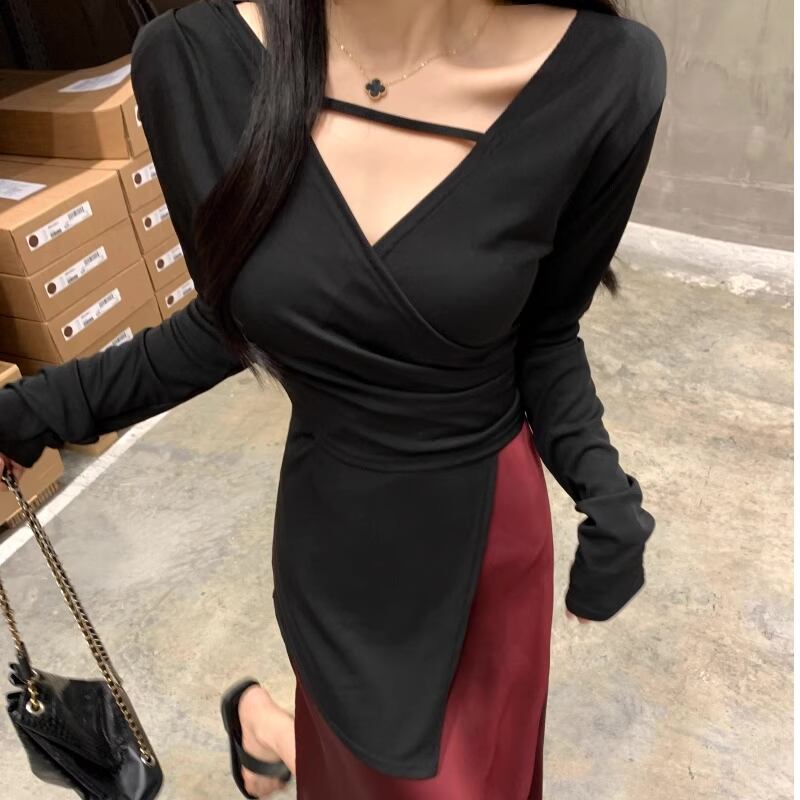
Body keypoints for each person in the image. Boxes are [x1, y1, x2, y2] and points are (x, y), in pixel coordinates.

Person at [0, 0, 665, 797]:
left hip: (484, 536)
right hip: (334, 534)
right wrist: (33, 413)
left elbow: (547, 332)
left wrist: (604, 489)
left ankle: (263, 729)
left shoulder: (604, 74)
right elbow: (230, 321)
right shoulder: (193, 62)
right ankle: (268, 727)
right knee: (362, 769)